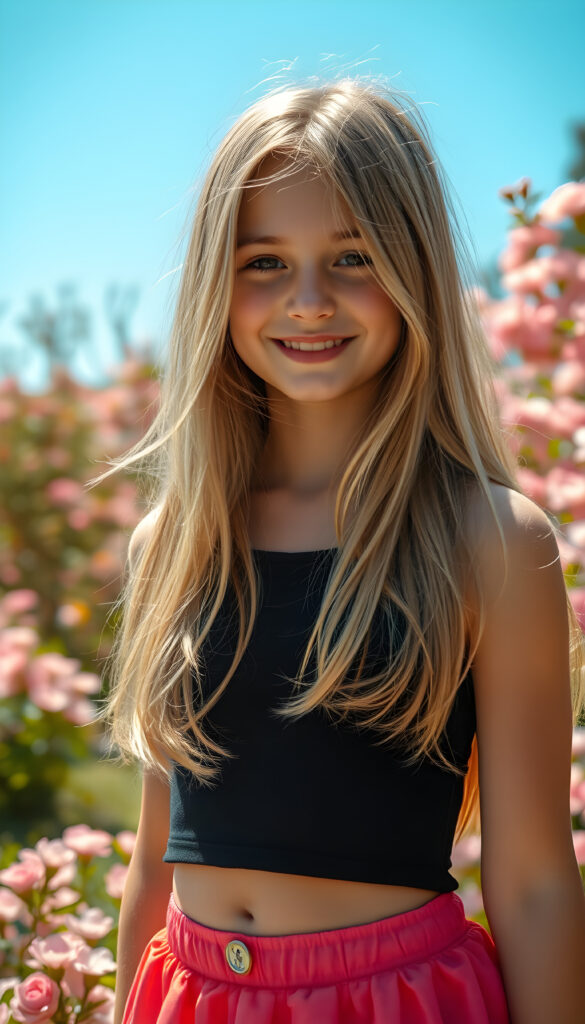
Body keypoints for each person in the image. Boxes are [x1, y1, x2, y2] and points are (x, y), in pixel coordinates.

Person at [95, 78, 585, 1024]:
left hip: (396, 1001)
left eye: (352, 256)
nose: (308, 301)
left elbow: (531, 881)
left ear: (414, 274)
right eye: (265, 262)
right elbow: (153, 852)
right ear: (215, 285)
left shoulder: (488, 539)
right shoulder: (175, 541)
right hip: (187, 996)